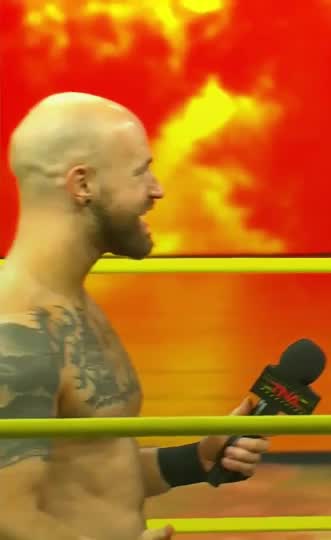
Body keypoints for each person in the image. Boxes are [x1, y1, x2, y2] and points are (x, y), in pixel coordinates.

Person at [0, 92, 270, 540]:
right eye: (141, 171)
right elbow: (8, 517)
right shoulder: (16, 335)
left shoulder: (70, 304)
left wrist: (196, 459)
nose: (157, 189)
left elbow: (91, 472)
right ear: (82, 185)